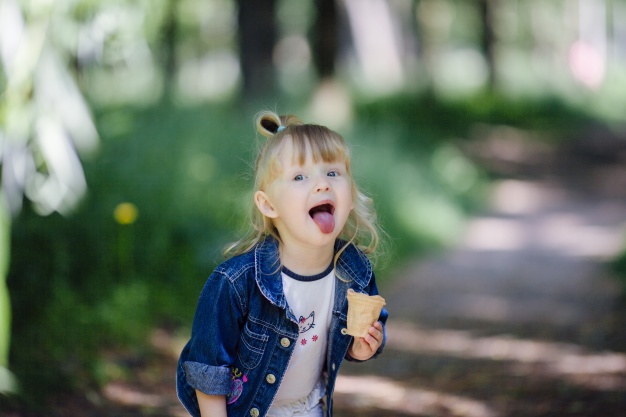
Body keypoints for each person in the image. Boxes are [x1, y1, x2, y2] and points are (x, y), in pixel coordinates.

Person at [176, 110, 388, 417]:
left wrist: (362, 346)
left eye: (332, 173)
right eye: (300, 177)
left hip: (311, 407)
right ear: (268, 204)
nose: (321, 185)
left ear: (351, 196)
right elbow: (208, 370)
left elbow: (360, 335)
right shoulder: (236, 282)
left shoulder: (353, 272)